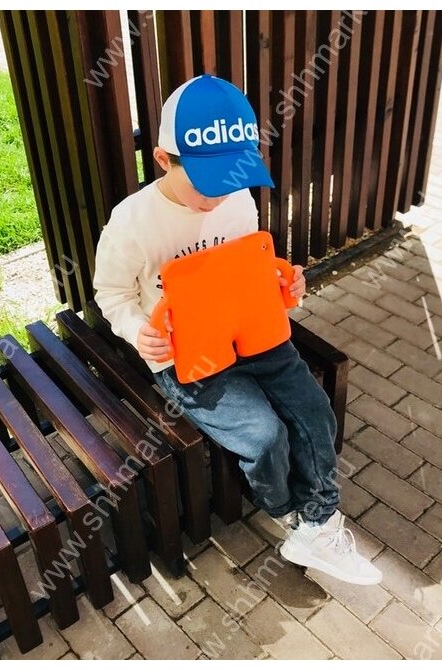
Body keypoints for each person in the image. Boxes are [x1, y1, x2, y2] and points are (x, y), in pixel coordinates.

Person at [93, 74, 381, 585]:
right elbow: (111, 294)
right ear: (162, 160)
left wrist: (286, 285)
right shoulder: (132, 222)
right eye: (207, 182)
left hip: (254, 333)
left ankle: (319, 522)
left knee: (314, 410)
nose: (220, 195)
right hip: (187, 354)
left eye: (232, 177)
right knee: (264, 435)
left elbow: (251, 271)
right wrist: (139, 332)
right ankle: (288, 512)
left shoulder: (238, 200)